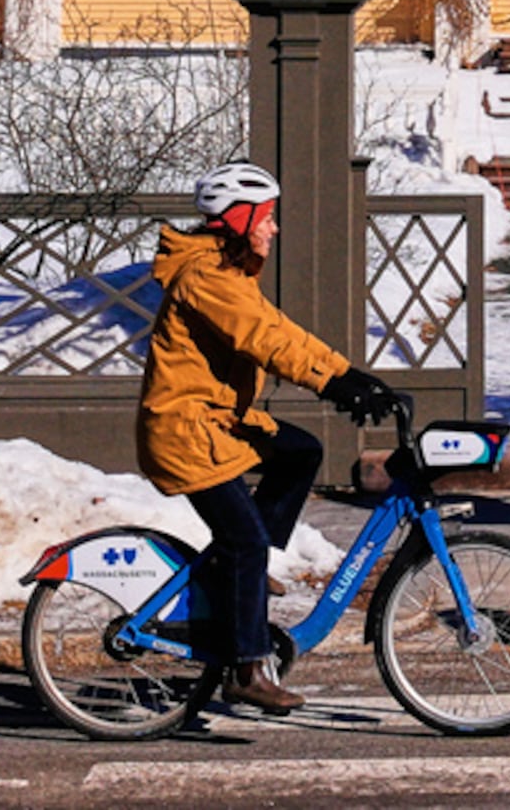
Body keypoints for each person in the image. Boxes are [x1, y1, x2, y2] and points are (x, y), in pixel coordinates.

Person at [137, 162, 400, 715]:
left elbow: (280, 330)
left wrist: (348, 376)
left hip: (217, 421)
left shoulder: (226, 273)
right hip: (187, 434)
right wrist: (340, 381)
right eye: (268, 218)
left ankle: (241, 580)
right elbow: (266, 339)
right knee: (246, 538)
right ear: (239, 219)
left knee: (301, 451)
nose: (274, 230)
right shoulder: (207, 279)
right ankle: (247, 668)